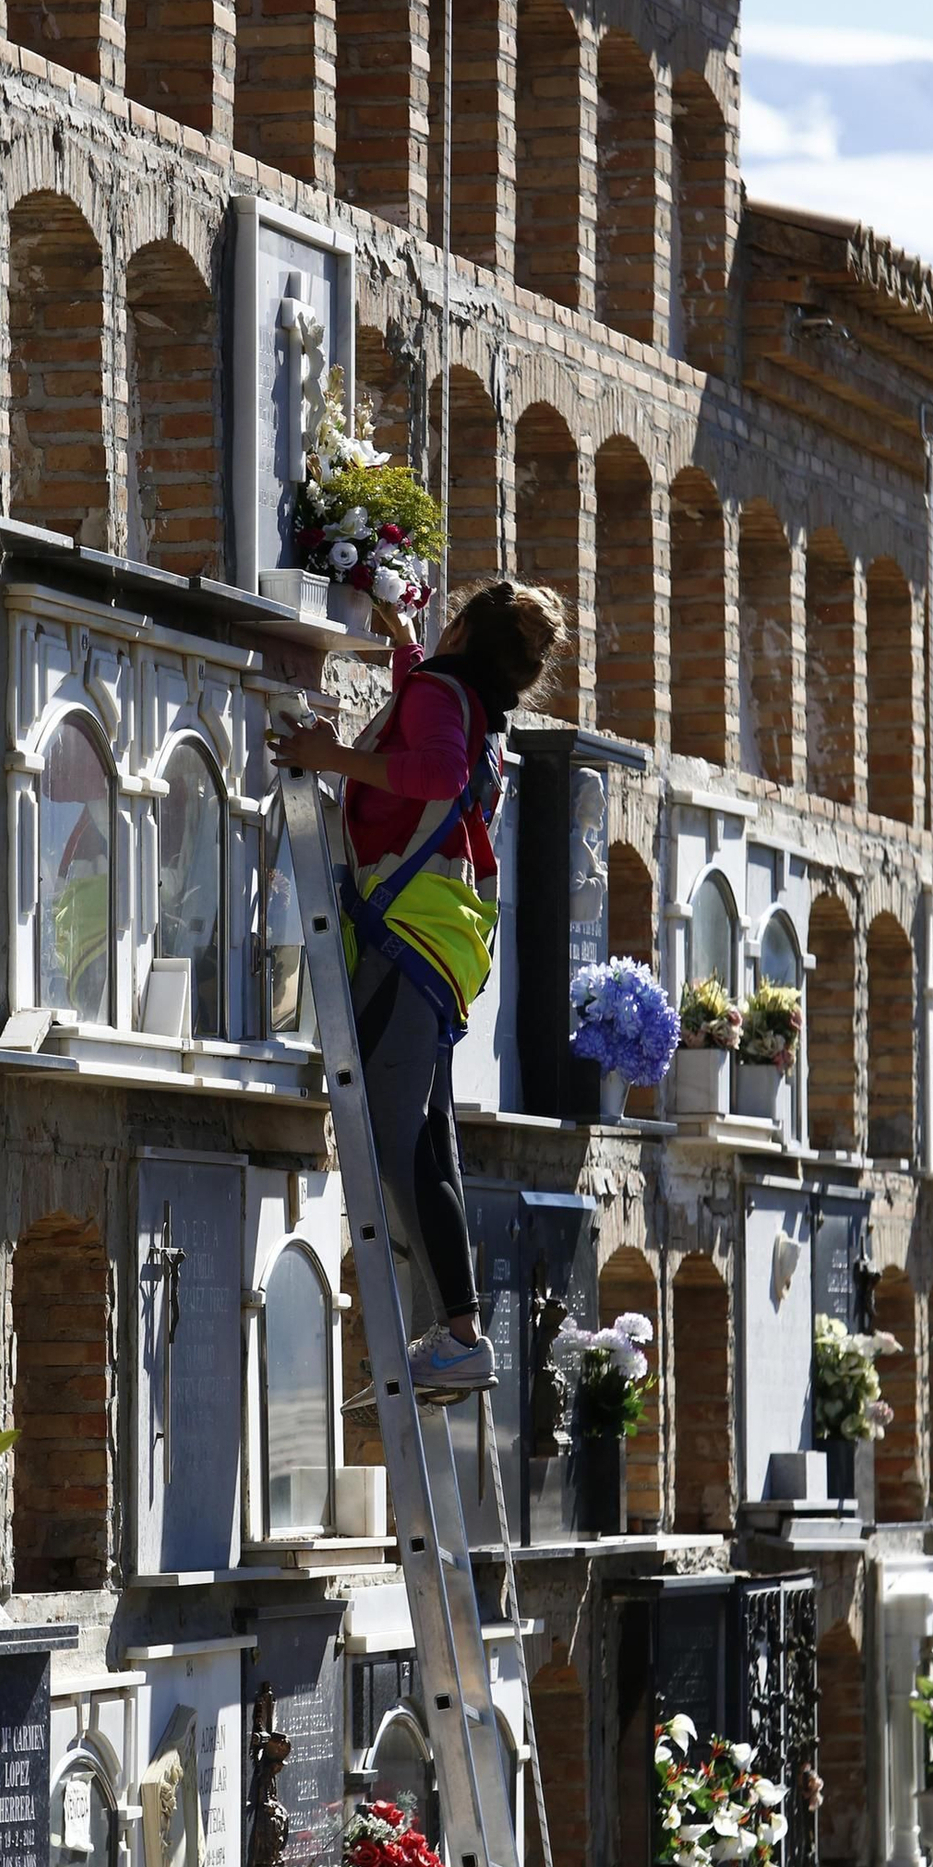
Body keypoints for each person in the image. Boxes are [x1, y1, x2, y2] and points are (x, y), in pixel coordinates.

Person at [268, 579, 568, 1393]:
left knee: (397, 1147)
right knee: (430, 1143)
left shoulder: (442, 692)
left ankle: (461, 1336)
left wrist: (329, 759)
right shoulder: (473, 706)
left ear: (464, 629)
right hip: (445, 942)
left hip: (409, 941)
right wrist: (404, 645)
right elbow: (430, 731)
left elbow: (430, 770)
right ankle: (461, 1330)